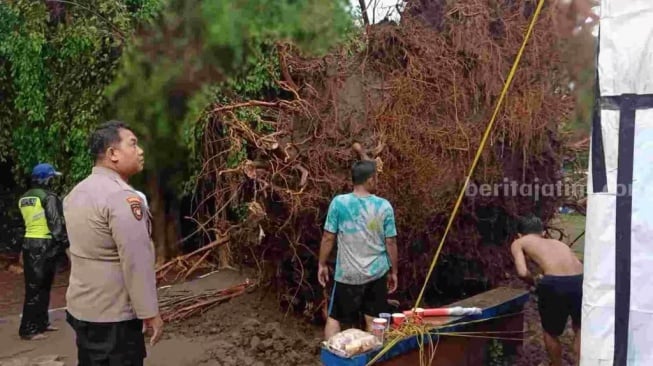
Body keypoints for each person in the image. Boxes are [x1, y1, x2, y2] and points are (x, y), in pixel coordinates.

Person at [63, 120, 163, 365]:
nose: (140, 151)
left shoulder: (76, 193)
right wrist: (149, 312)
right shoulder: (122, 197)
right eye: (133, 144)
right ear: (113, 154)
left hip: (82, 309)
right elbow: (135, 260)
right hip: (114, 318)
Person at [318, 159, 399, 340]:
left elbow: (328, 237)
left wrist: (322, 264)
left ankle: (333, 359)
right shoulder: (384, 206)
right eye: (376, 178)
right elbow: (391, 242)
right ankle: (372, 360)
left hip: (348, 274)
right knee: (373, 321)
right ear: (370, 180)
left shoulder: (339, 203)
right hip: (376, 274)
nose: (377, 182)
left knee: (334, 319)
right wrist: (394, 272)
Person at [510, 215, 583, 366]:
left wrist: (534, 282)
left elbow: (522, 272)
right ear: (543, 233)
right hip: (580, 280)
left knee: (550, 331)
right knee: (580, 327)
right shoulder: (558, 243)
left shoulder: (519, 242)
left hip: (555, 283)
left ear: (519, 234)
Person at [17, 163, 69, 340]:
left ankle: (41, 323)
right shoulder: (49, 197)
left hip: (29, 243)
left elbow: (23, 223)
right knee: (39, 288)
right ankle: (29, 329)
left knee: (38, 286)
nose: (53, 181)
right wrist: (65, 246)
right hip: (45, 244)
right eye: (52, 178)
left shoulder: (24, 197)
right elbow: (56, 224)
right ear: (46, 179)